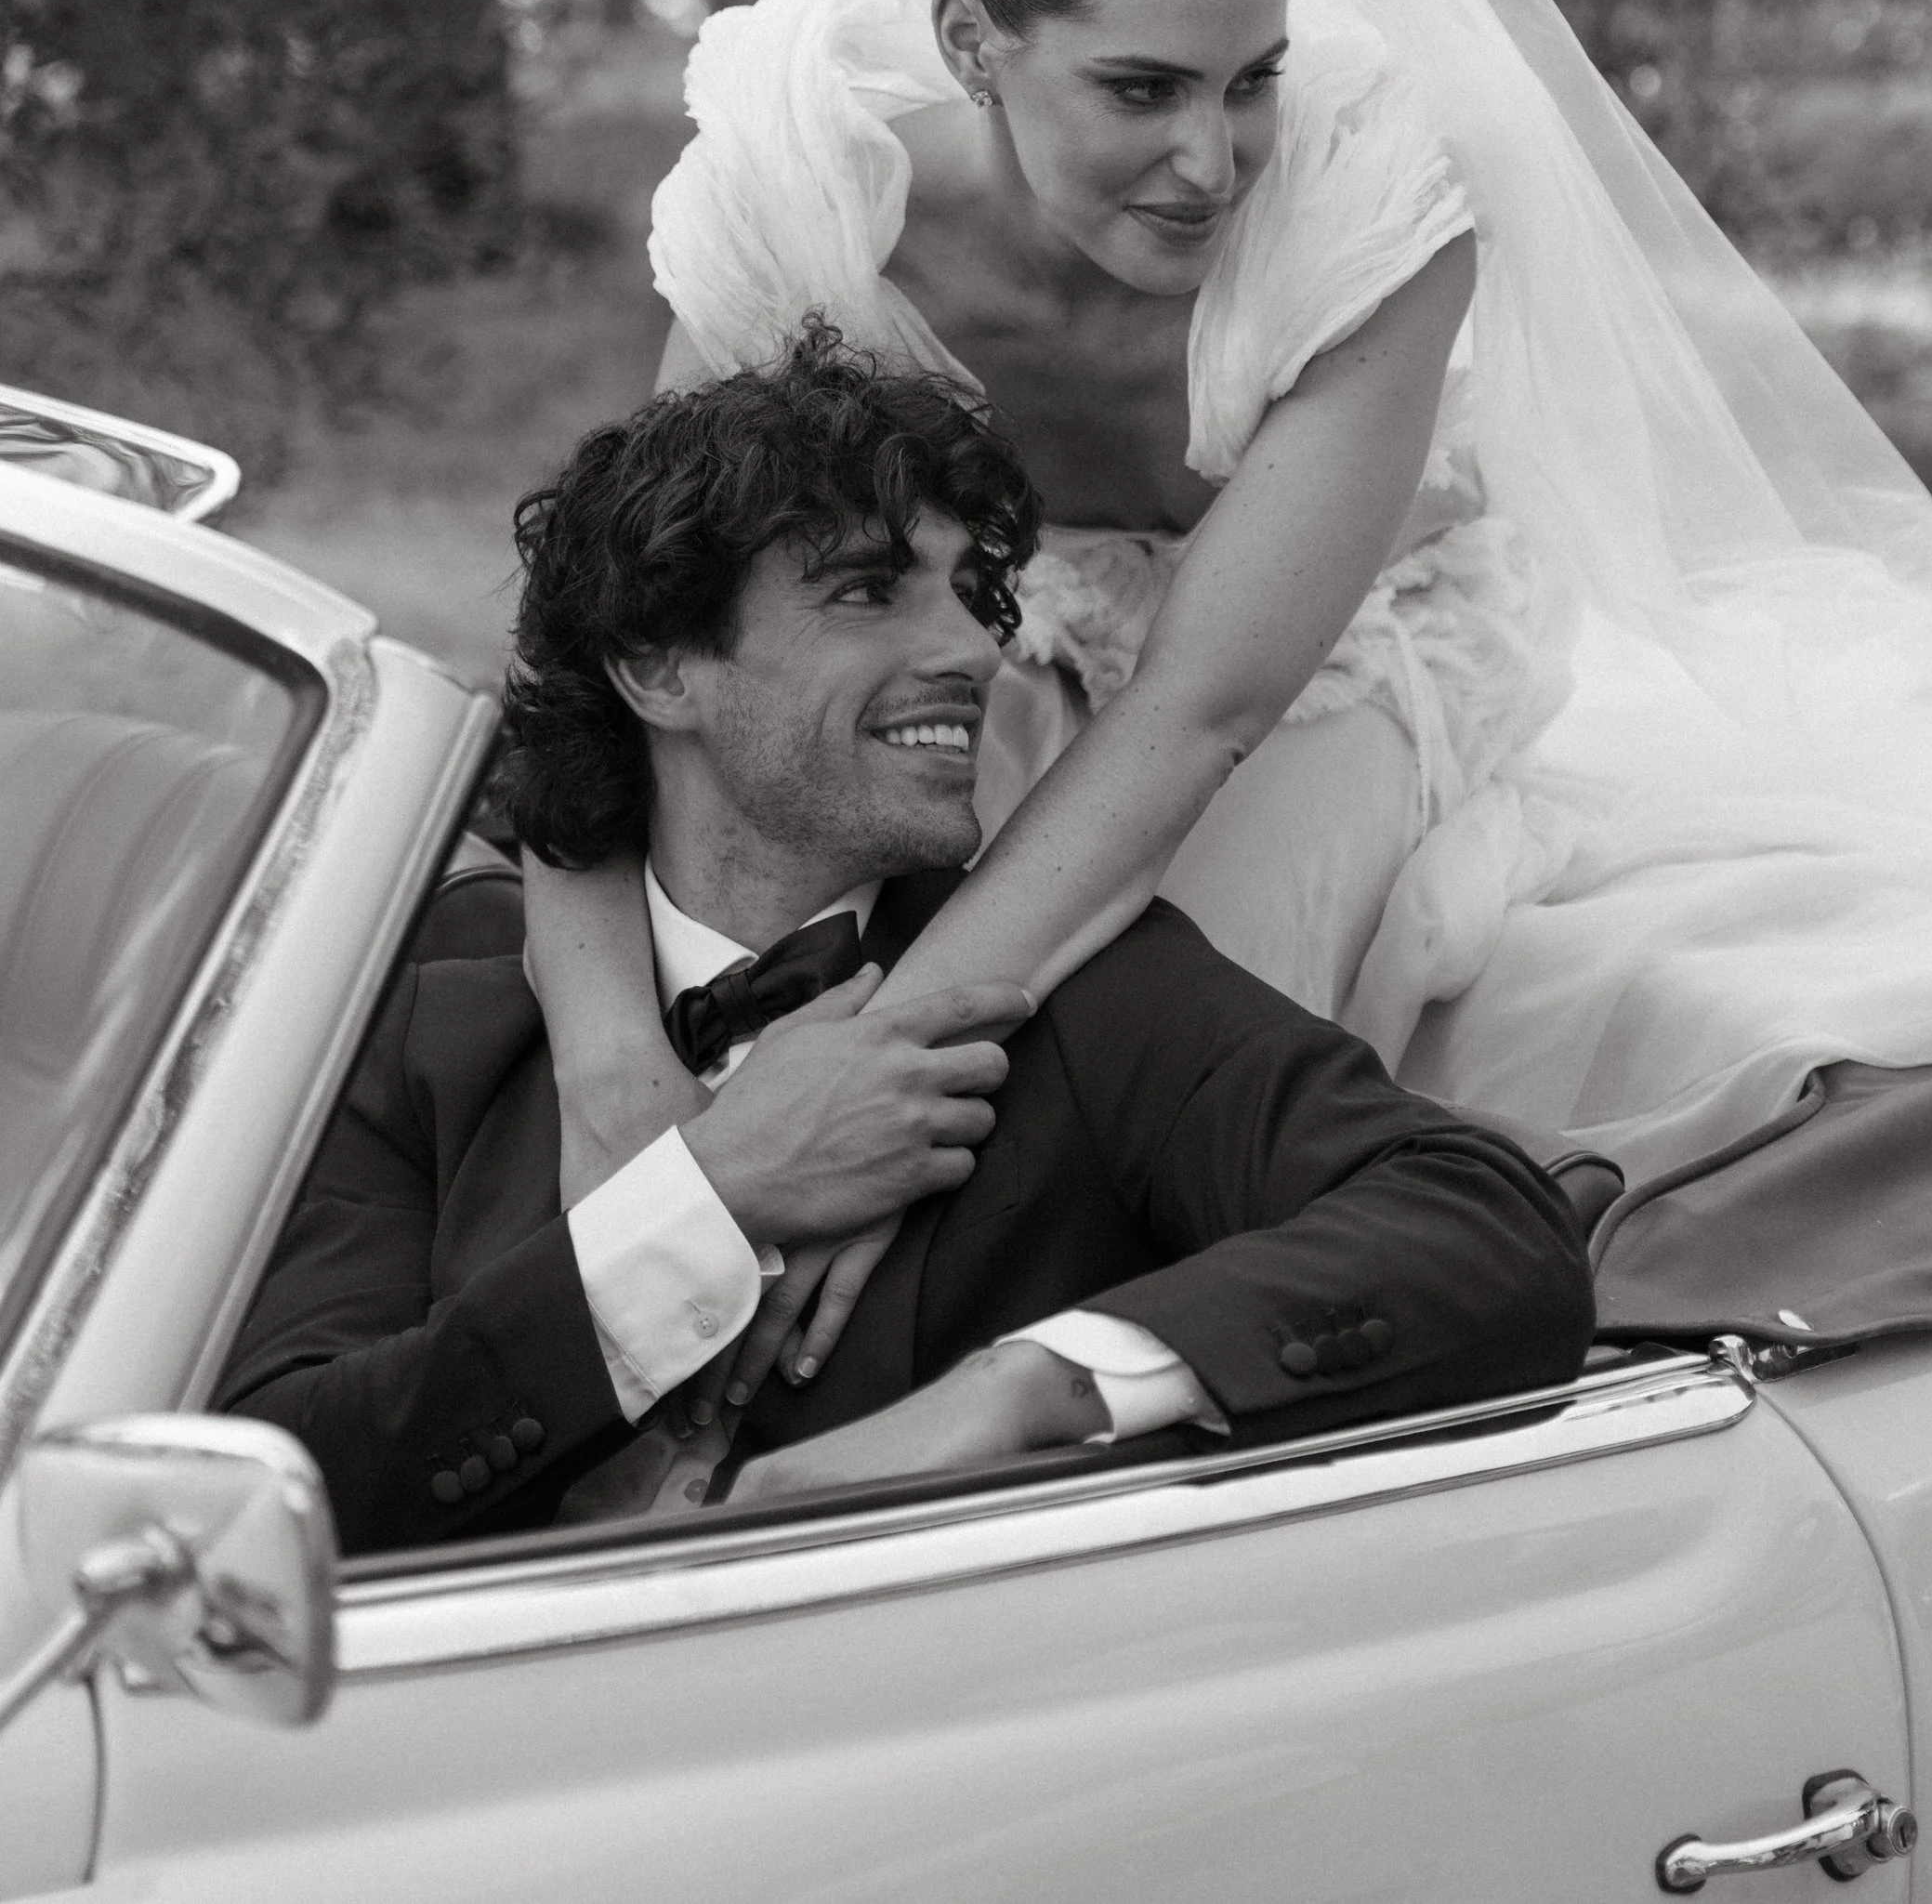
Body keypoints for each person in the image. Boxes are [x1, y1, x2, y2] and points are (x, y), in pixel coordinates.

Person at [530, 0, 1932, 1398]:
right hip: (998, 639)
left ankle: (1015, 1443)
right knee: (747, 964)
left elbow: (1203, 710)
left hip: (1323, 666)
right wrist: (611, 1055)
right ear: (971, 44)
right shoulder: (810, 176)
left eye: (1251, 78)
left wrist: (892, 1067)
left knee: (1120, 1078)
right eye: (1139, 89)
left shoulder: (1376, 194)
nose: (1210, 163)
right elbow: (630, 622)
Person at [221, 340, 1592, 1555]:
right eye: (869, 592)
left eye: (971, 598)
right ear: (660, 667)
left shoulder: (1082, 998)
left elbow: (1490, 1230)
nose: (975, 650)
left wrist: (1028, 1389)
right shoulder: (421, 1005)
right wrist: (711, 1193)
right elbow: (277, 1485)